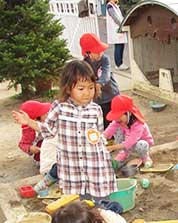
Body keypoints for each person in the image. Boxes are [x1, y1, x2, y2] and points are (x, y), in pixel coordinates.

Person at [12, 60, 117, 200]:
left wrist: (104, 154)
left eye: (91, 87)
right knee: (80, 203)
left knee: (100, 201)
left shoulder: (96, 109)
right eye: (81, 88)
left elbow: (97, 135)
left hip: (93, 165)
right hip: (72, 167)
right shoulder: (60, 107)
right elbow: (48, 130)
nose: (87, 93)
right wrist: (29, 122)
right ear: (68, 88)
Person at [80, 32, 121, 130]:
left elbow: (105, 76)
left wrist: (98, 85)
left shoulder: (105, 59)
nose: (100, 53)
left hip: (112, 94)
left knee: (116, 120)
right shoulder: (84, 64)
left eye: (101, 50)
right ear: (88, 52)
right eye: (96, 51)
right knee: (103, 121)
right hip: (98, 99)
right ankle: (108, 141)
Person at [103, 94, 154, 168]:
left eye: (119, 116)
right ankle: (124, 153)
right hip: (127, 145)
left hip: (139, 144)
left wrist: (112, 147)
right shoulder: (119, 121)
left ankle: (145, 157)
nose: (117, 119)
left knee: (142, 145)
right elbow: (109, 130)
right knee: (117, 128)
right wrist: (101, 137)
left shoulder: (138, 125)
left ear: (128, 113)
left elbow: (130, 141)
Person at [16, 100, 51, 166]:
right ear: (36, 118)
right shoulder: (28, 130)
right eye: (45, 113)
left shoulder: (52, 120)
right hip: (43, 154)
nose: (49, 114)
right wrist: (30, 148)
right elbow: (22, 144)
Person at [106, 0, 129, 71]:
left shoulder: (115, 6)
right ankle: (118, 64)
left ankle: (121, 63)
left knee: (121, 45)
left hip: (119, 28)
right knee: (118, 46)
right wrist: (121, 25)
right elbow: (115, 18)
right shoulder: (109, 6)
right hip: (116, 29)